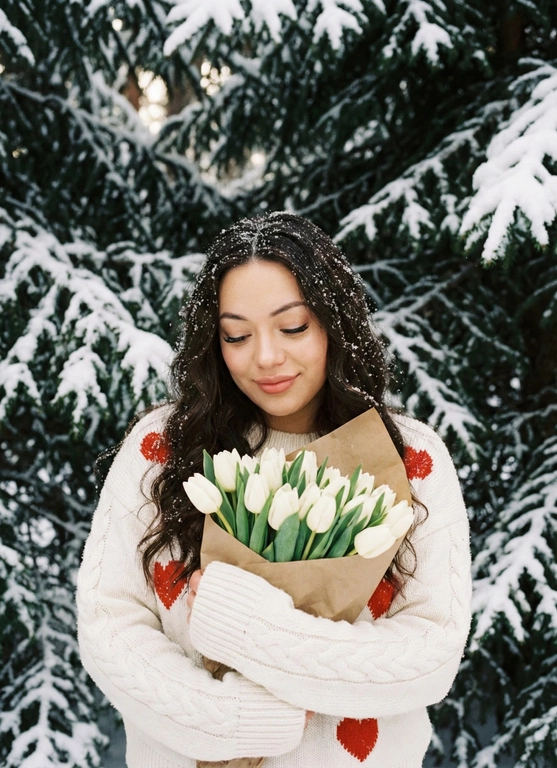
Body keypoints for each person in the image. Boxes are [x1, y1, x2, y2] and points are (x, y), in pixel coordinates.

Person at [76, 212, 472, 768]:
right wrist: (232, 722)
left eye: (293, 327)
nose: (265, 357)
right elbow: (108, 623)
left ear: (335, 323)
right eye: (236, 334)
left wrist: (245, 627)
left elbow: (430, 654)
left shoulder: (409, 458)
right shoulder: (163, 448)